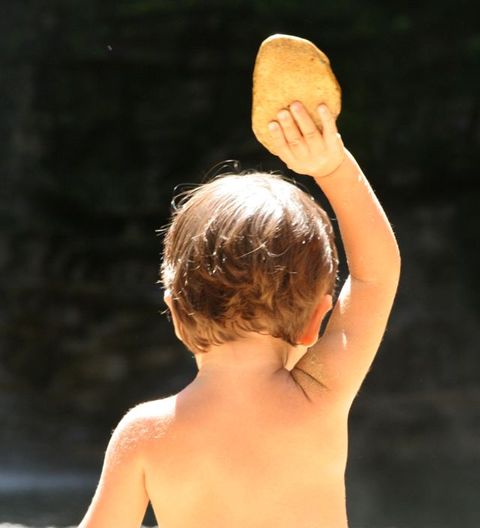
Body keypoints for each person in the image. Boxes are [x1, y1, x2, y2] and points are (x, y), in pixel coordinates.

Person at [78, 102, 401, 528]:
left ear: (175, 313)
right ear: (316, 320)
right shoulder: (317, 395)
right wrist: (333, 167)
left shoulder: (143, 433)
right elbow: (374, 277)